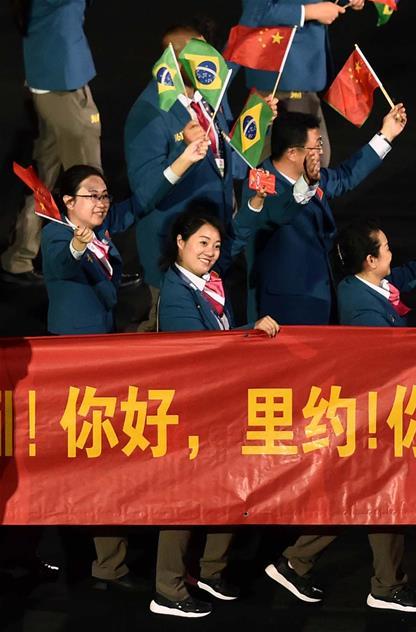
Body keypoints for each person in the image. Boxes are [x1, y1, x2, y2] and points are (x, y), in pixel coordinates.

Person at [262, 215, 416, 614]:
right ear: (370, 260)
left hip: (376, 411)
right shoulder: (362, 306)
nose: (394, 252)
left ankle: (302, 563)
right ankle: (381, 584)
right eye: (387, 248)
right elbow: (394, 355)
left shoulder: (368, 285)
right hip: (372, 414)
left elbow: (414, 272)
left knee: (365, 495)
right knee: (381, 495)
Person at [150, 206, 279, 618]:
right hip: (191, 411)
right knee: (185, 500)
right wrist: (248, 332)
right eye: (202, 243)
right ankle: (168, 589)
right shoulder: (176, 291)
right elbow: (200, 350)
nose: (210, 252)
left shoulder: (210, 284)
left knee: (230, 488)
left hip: (221, 406)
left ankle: (209, 570)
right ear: (180, 243)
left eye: (217, 245)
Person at [41, 165, 146, 591]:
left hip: (101, 360)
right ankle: (58, 554)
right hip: (70, 365)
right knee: (68, 461)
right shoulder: (57, 234)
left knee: (102, 460)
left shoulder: (100, 234)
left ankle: (109, 564)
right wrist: (77, 245)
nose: (101, 203)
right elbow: (61, 261)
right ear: (68, 202)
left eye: (104, 196)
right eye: (92, 195)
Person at [125, 24, 264, 332]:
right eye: (200, 54)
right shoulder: (148, 112)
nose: (211, 61)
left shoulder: (208, 98)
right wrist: (184, 153)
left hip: (211, 250)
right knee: (168, 343)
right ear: (175, 62)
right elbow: (145, 193)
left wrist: (258, 119)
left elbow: (226, 162)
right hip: (172, 259)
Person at [232, 104, 407, 325]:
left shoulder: (314, 176)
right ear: (292, 153)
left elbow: (346, 176)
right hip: (283, 310)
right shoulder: (259, 185)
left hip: (322, 298)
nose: (321, 152)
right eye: (316, 146)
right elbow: (280, 213)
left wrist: (386, 134)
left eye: (321, 144)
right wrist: (307, 183)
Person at [2, 0, 102, 286]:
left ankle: (19, 255)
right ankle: (96, 264)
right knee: (88, 181)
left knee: (44, 176)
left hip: (58, 81)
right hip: (61, 87)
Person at [238, 0, 365, 167]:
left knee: (315, 165)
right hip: (276, 86)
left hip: (305, 86)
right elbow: (256, 12)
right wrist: (310, 12)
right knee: (274, 171)